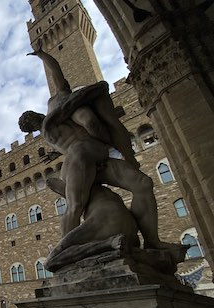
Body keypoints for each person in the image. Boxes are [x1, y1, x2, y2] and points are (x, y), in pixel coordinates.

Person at [20, 48, 174, 252]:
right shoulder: (50, 121)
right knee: (75, 206)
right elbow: (80, 123)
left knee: (143, 184)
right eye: (30, 120)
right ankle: (66, 255)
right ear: (33, 122)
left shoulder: (52, 114)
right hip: (81, 158)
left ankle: (152, 241)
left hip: (97, 155)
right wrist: (44, 57)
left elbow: (59, 78)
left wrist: (43, 56)